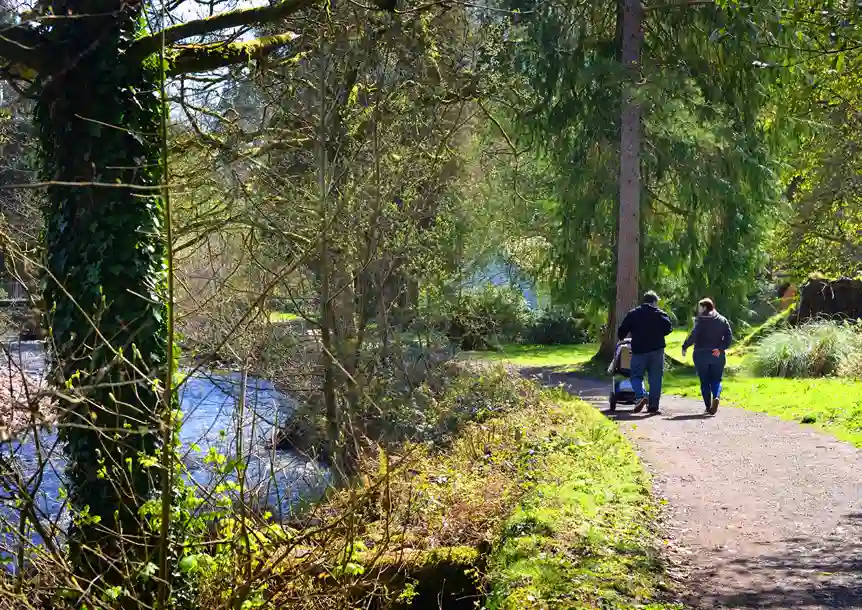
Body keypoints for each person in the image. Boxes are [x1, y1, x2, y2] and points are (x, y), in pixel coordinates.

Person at [617, 291, 674, 413]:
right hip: (657, 351)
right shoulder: (660, 314)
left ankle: (641, 395)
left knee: (636, 376)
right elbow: (669, 328)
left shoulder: (633, 314)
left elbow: (621, 332)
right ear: (654, 302)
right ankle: (653, 406)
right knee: (655, 378)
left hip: (639, 351)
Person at [681, 298, 733, 415]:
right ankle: (716, 397)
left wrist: (685, 346)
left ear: (704, 307)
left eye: (700, 307)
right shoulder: (722, 320)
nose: (698, 310)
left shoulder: (700, 320)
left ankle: (708, 406)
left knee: (704, 381)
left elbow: (693, 335)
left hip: (700, 354)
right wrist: (720, 349)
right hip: (717, 355)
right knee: (716, 379)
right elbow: (729, 338)